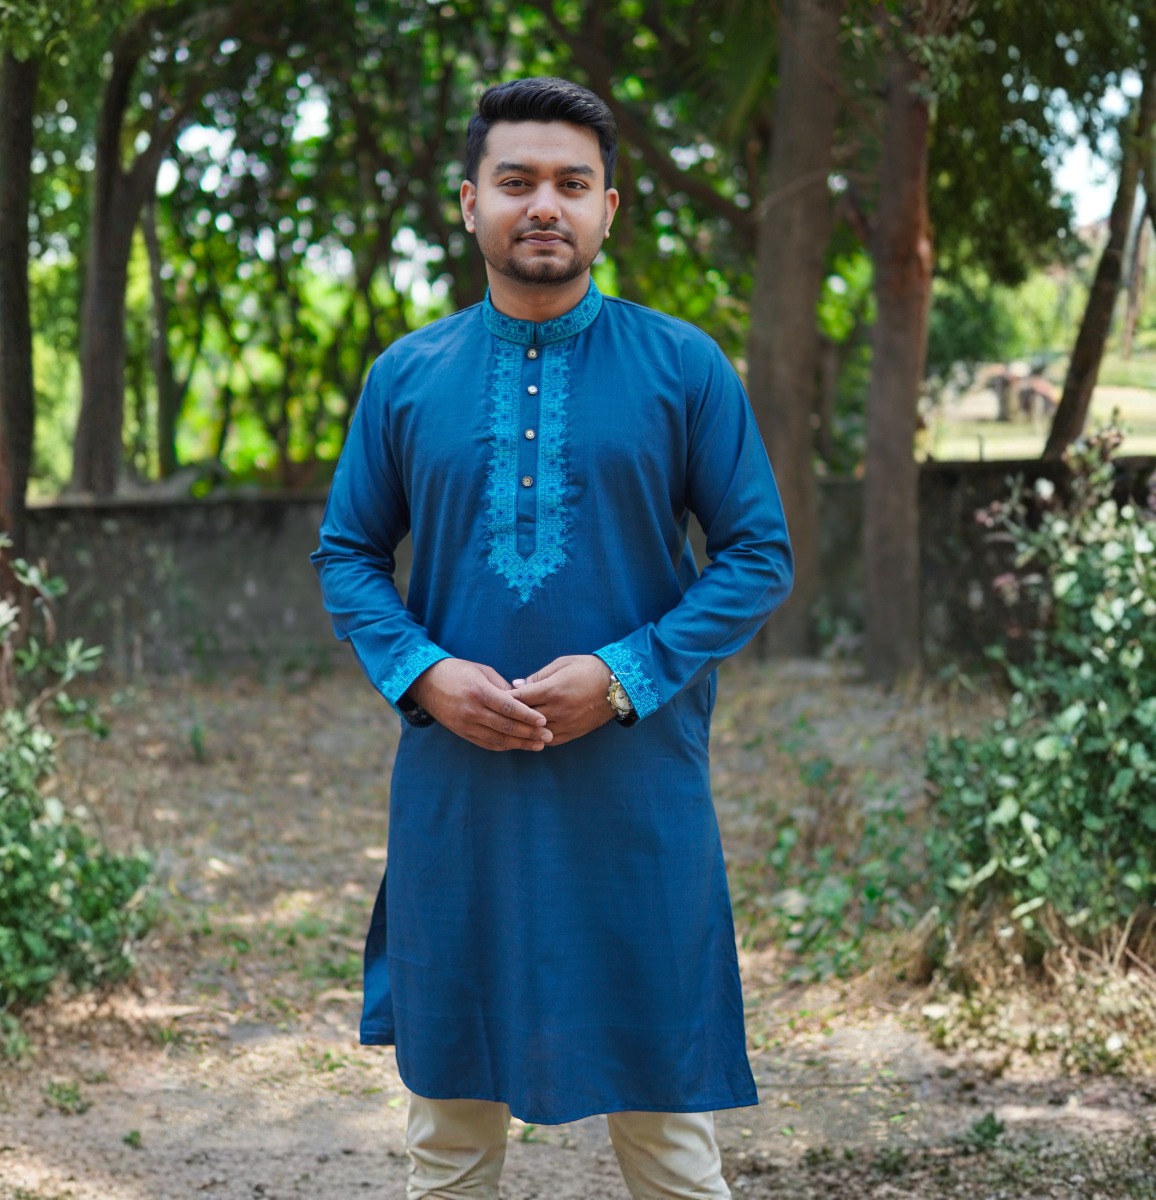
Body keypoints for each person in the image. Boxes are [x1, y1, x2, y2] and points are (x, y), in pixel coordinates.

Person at [312, 75, 792, 1200]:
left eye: (573, 184)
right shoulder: (405, 377)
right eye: (516, 180)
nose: (544, 205)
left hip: (635, 796)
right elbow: (347, 554)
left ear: (608, 210)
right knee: (449, 1142)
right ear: (468, 202)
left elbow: (757, 555)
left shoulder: (683, 367)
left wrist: (624, 675)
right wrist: (426, 674)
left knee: (670, 1146)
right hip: (460, 798)